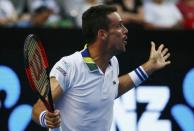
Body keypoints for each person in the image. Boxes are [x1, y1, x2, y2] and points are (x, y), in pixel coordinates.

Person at [32, 4, 171, 131]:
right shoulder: (69, 66)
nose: (125, 30)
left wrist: (149, 66)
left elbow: (112, 89)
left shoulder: (113, 62)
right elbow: (39, 107)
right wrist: (46, 118)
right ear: (102, 34)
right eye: (119, 26)